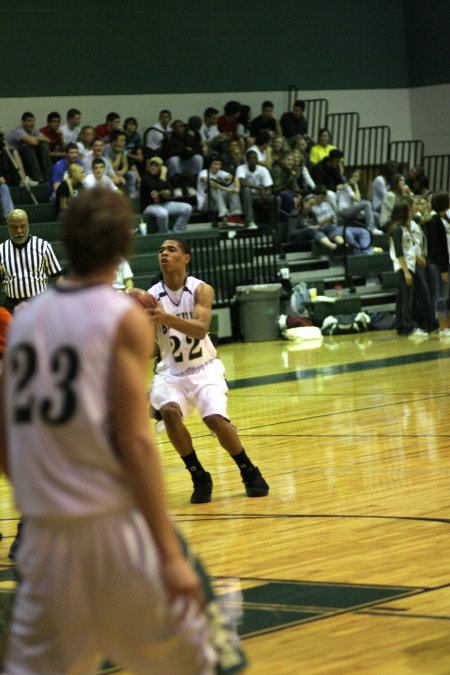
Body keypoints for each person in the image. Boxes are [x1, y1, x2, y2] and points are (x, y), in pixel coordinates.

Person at [0, 188, 220, 674]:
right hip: (111, 525)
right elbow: (137, 440)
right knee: (200, 659)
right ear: (124, 245)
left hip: (46, 533)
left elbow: (5, 432)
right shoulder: (120, 317)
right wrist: (167, 550)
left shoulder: (24, 320)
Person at [148, 238, 269, 504]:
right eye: (161, 250)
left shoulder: (201, 290)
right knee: (168, 411)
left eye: (171, 249)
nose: (164, 253)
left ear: (186, 257)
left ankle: (248, 469)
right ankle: (198, 474)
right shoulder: (150, 296)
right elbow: (149, 347)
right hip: (171, 372)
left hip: (205, 368)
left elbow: (201, 329)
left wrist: (164, 317)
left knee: (214, 420)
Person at [0, 209, 63, 314]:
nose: (19, 231)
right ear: (8, 228)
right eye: (14, 227)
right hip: (12, 306)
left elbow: (58, 276)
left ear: (28, 225)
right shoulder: (1, 250)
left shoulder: (43, 246)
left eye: (22, 226)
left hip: (39, 303)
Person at [388, 200, 423, 337]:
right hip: (405, 268)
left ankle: (401, 327)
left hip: (410, 266)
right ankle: (408, 328)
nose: (410, 212)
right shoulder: (397, 230)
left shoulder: (403, 228)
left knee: (402, 298)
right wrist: (406, 271)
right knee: (407, 299)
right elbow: (399, 253)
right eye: (408, 210)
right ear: (403, 212)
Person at [141, 156, 192, 233]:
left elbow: (171, 192)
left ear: (161, 167)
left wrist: (161, 192)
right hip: (149, 206)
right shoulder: (145, 177)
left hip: (164, 204)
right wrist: (163, 173)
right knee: (163, 213)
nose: (153, 167)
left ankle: (178, 230)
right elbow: (159, 186)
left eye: (156, 166)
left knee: (187, 208)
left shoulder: (164, 177)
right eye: (151, 165)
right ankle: (163, 233)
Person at [426, 191, 450, 338]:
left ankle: (448, 324)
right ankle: (442, 327)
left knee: (448, 295)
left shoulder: (445, 218)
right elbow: (437, 247)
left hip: (447, 261)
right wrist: (442, 269)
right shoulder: (434, 221)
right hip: (439, 264)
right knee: (441, 295)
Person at [6, 112, 53, 183]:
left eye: (33, 121)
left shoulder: (33, 130)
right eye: (29, 121)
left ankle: (48, 176)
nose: (32, 123)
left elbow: (48, 140)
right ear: (23, 122)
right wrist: (35, 139)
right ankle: (37, 177)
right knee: (28, 148)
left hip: (24, 154)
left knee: (44, 145)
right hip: (12, 155)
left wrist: (34, 138)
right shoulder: (18, 131)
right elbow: (33, 142)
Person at [162, 120, 204, 197]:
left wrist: (190, 152)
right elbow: (168, 153)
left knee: (198, 158)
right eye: (176, 127)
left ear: (184, 128)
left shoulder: (190, 137)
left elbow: (199, 150)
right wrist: (185, 150)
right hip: (175, 166)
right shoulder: (169, 138)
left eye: (180, 126)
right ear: (173, 129)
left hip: (187, 164)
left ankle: (191, 186)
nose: (178, 128)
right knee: (174, 159)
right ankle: (176, 187)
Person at [236, 150, 275, 229]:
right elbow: (243, 183)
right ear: (247, 160)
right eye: (250, 158)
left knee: (276, 199)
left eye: (254, 158)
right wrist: (259, 188)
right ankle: (250, 221)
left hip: (259, 195)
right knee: (246, 189)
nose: (252, 160)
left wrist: (266, 194)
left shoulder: (263, 169)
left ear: (257, 159)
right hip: (245, 196)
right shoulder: (241, 168)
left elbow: (269, 187)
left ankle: (274, 222)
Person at [197, 157, 242, 223]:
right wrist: (225, 189)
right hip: (206, 203)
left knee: (232, 186)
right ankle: (225, 215)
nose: (217, 166)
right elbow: (210, 183)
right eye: (215, 164)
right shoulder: (203, 173)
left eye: (219, 164)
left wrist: (237, 187)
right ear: (210, 164)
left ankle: (235, 214)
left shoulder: (220, 172)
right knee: (213, 187)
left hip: (218, 202)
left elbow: (233, 177)